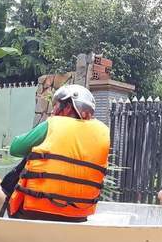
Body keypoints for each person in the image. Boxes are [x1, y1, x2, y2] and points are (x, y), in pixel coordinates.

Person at [7, 84, 110, 222]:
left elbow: (15, 148)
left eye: (56, 105)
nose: (53, 110)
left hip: (35, 211)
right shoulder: (103, 132)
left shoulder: (52, 124)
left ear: (67, 107)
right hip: (78, 215)